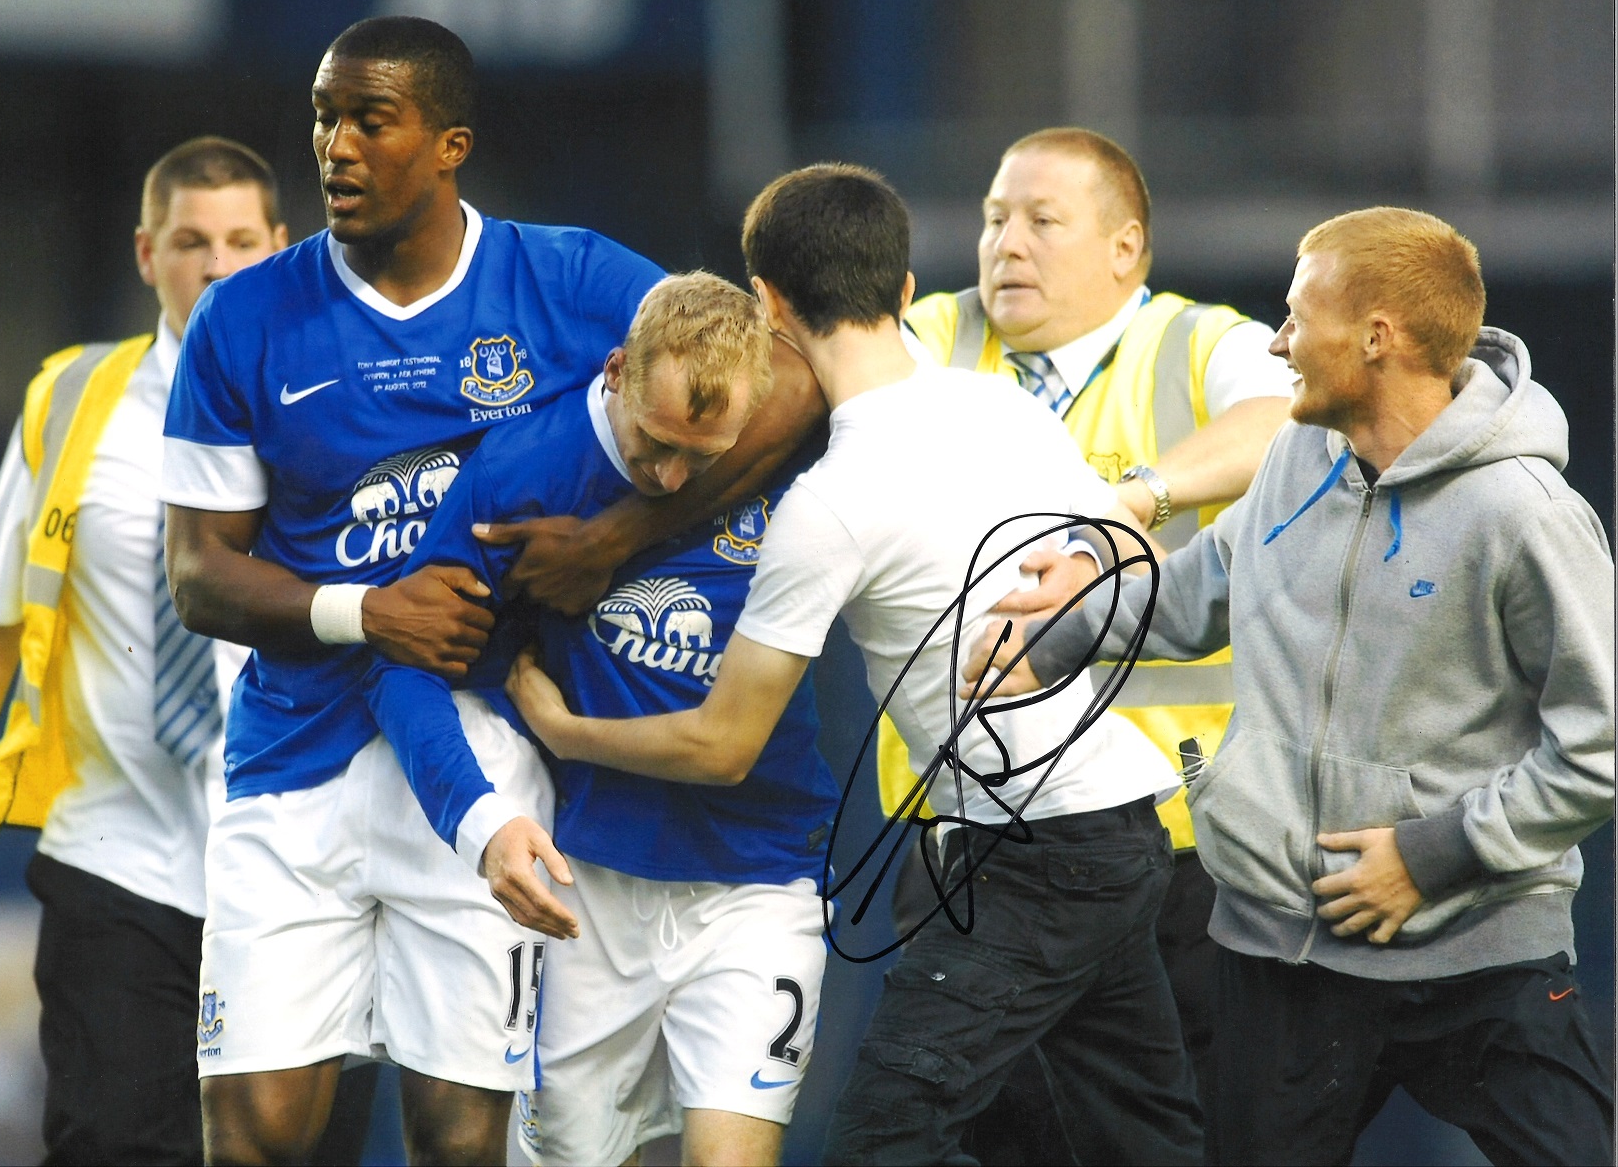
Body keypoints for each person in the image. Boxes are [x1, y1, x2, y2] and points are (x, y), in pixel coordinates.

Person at [158, 18, 819, 1165]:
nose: (337, 147)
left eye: (371, 120)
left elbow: (784, 381)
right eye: (324, 116)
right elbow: (198, 574)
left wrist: (613, 540)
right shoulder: (244, 317)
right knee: (256, 1136)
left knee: (461, 1143)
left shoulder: (570, 280)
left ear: (449, 142)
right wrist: (362, 612)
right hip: (292, 752)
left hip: (482, 737)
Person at [506, 163, 1203, 1166]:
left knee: (886, 1132)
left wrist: (563, 729)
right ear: (909, 291)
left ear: (766, 306)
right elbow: (1112, 565)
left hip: (1038, 856)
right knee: (1141, 1139)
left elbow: (721, 745)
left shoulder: (828, 502)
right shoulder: (1002, 405)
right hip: (1126, 831)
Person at [967, 206, 1616, 1165]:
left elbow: (1597, 750)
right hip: (1281, 952)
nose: (1276, 344)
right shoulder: (1293, 461)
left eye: (1293, 316)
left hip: (1488, 954)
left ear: (1376, 336)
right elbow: (1192, 595)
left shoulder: (1523, 513)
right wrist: (1047, 639)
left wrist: (1431, 855)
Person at [363, 271, 838, 1167]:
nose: (667, 478)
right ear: (616, 370)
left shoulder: (806, 458)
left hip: (760, 876)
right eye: (654, 442)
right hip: (587, 889)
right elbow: (402, 665)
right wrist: (479, 819)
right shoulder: (517, 474)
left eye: (703, 459)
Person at [0, 137, 370, 1165]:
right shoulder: (68, 402)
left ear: (284, 249)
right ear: (147, 253)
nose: (217, 265)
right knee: (108, 1142)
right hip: (116, 856)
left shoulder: (351, 409)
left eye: (241, 241)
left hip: (304, 868)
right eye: (191, 241)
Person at [880, 129, 1294, 1137]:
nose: (1004, 245)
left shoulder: (1200, 342)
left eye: (1040, 221)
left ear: (1124, 249)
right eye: (990, 220)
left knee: (1179, 1129)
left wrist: (1136, 498)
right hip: (966, 835)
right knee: (988, 1131)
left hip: (1177, 845)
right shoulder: (927, 339)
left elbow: (1290, 411)